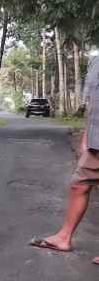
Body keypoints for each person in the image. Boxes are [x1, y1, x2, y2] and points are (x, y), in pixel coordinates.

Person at [30, 55, 99, 262]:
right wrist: (86, 137)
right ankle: (64, 237)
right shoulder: (96, 61)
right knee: (79, 184)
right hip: (96, 139)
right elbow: (92, 104)